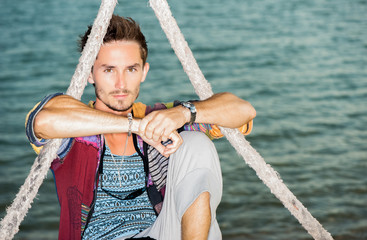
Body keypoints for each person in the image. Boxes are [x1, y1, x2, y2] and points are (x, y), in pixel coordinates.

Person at [25, 15, 256, 240]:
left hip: (161, 232)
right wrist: (134, 126)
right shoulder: (75, 129)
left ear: (144, 72)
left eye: (131, 69)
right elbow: (43, 122)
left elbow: (243, 111)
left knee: (197, 144)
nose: (121, 83)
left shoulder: (158, 117)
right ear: (89, 74)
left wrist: (183, 113)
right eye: (108, 70)